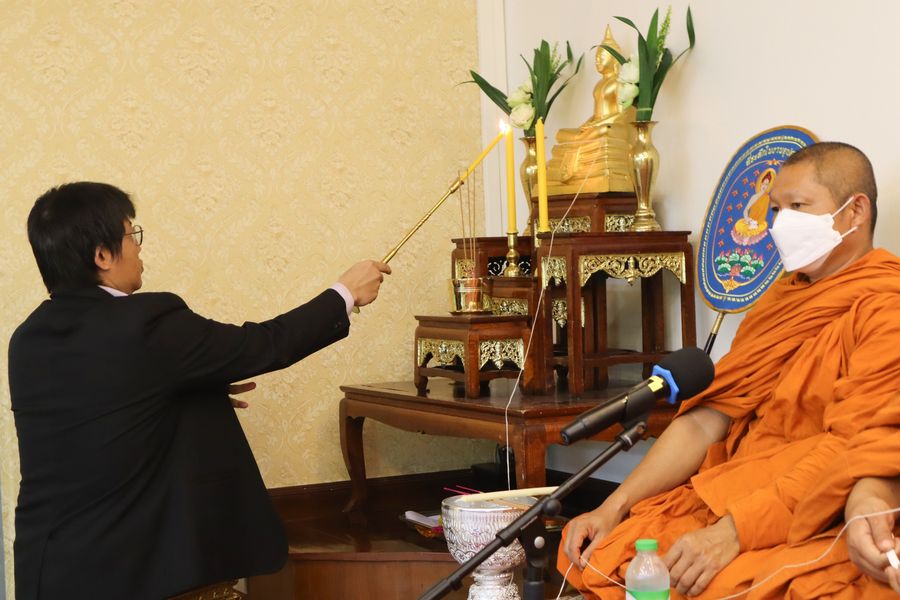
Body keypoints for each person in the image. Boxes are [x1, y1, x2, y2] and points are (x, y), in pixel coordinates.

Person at [9, 181, 391, 599]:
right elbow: (264, 345)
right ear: (102, 255)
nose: (138, 248)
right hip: (132, 572)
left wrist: (196, 392)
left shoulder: (28, 339)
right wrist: (344, 294)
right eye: (131, 235)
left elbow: (104, 414)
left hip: (50, 572)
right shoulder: (145, 323)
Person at [557, 141, 900, 598]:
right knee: (611, 552)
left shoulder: (886, 308)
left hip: (816, 509)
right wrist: (613, 506)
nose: (780, 223)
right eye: (775, 209)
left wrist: (735, 532)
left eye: (798, 207)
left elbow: (854, 449)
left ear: (855, 211)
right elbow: (708, 419)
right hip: (736, 489)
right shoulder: (778, 302)